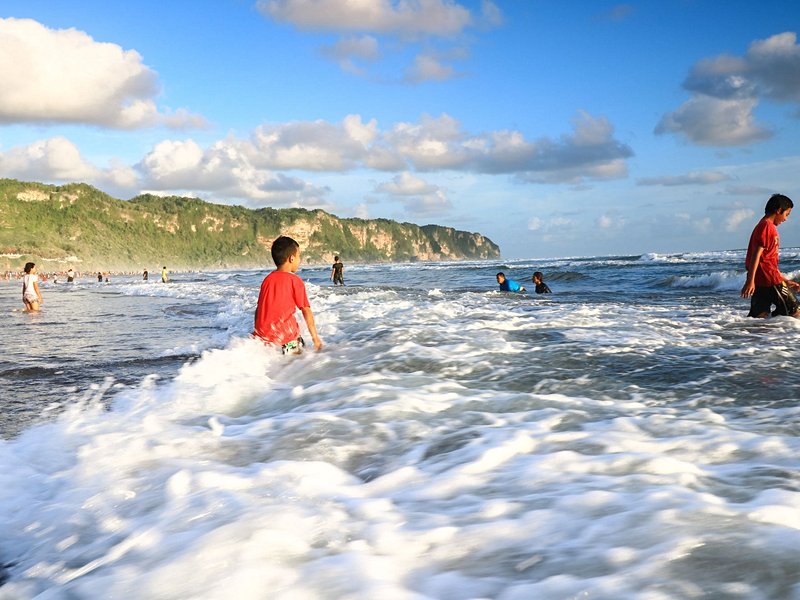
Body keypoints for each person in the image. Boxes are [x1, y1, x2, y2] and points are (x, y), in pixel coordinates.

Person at [254, 236, 323, 354]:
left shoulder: (267, 280)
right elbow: (306, 310)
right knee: (302, 356)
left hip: (264, 340)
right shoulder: (295, 281)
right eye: (299, 256)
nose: (299, 260)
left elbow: (258, 309)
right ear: (291, 258)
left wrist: (258, 331)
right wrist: (315, 338)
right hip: (287, 341)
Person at [741, 193, 800, 317]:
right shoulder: (767, 227)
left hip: (761, 281)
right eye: (786, 214)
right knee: (795, 310)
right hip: (770, 280)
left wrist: (785, 280)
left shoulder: (763, 225)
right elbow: (756, 256)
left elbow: (767, 260)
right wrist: (750, 281)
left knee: (759, 317)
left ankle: (756, 332)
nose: (785, 219)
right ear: (778, 210)